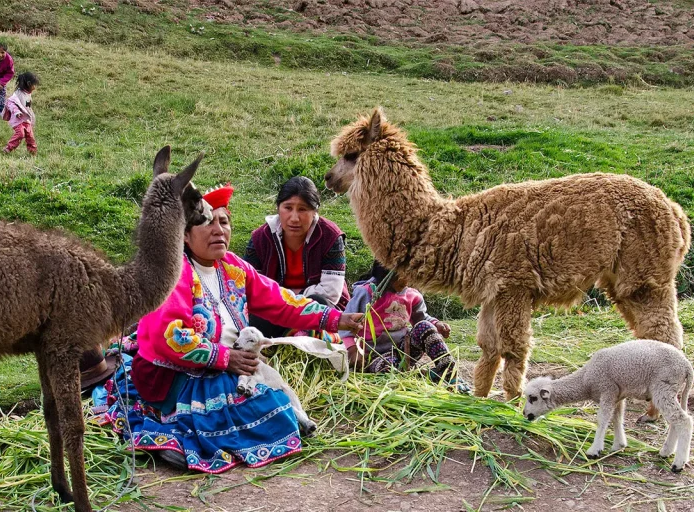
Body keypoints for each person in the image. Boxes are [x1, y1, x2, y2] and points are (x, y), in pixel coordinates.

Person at [92, 184, 364, 473]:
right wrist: (225, 358)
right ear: (185, 234)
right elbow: (168, 336)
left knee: (274, 408)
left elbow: (281, 300)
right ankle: (176, 442)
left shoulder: (233, 267)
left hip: (226, 366)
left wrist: (337, 319)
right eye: (207, 222)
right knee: (259, 413)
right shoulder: (176, 273)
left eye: (224, 221)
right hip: (178, 373)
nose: (218, 229)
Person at [244, 176, 349, 338]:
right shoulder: (260, 239)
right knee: (256, 317)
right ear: (278, 208)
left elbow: (331, 292)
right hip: (277, 310)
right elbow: (250, 288)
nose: (294, 218)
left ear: (315, 212)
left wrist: (289, 302)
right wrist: (284, 305)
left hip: (321, 310)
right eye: (288, 208)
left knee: (317, 302)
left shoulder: (330, 237)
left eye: (302, 209)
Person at [341, 261, 467, 390]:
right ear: (387, 272)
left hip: (403, 350)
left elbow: (422, 318)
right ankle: (423, 376)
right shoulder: (367, 293)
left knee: (424, 326)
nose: (406, 280)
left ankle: (449, 373)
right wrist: (352, 350)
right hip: (373, 355)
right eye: (403, 274)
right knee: (388, 372)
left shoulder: (412, 295)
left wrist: (436, 324)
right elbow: (346, 326)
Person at [3, 72, 38, 155]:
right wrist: (16, 112)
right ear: (29, 84)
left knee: (30, 135)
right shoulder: (18, 94)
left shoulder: (28, 94)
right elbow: (10, 102)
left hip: (25, 119)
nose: (35, 87)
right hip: (17, 119)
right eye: (34, 85)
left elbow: (28, 107)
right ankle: (8, 148)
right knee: (20, 134)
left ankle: (32, 151)